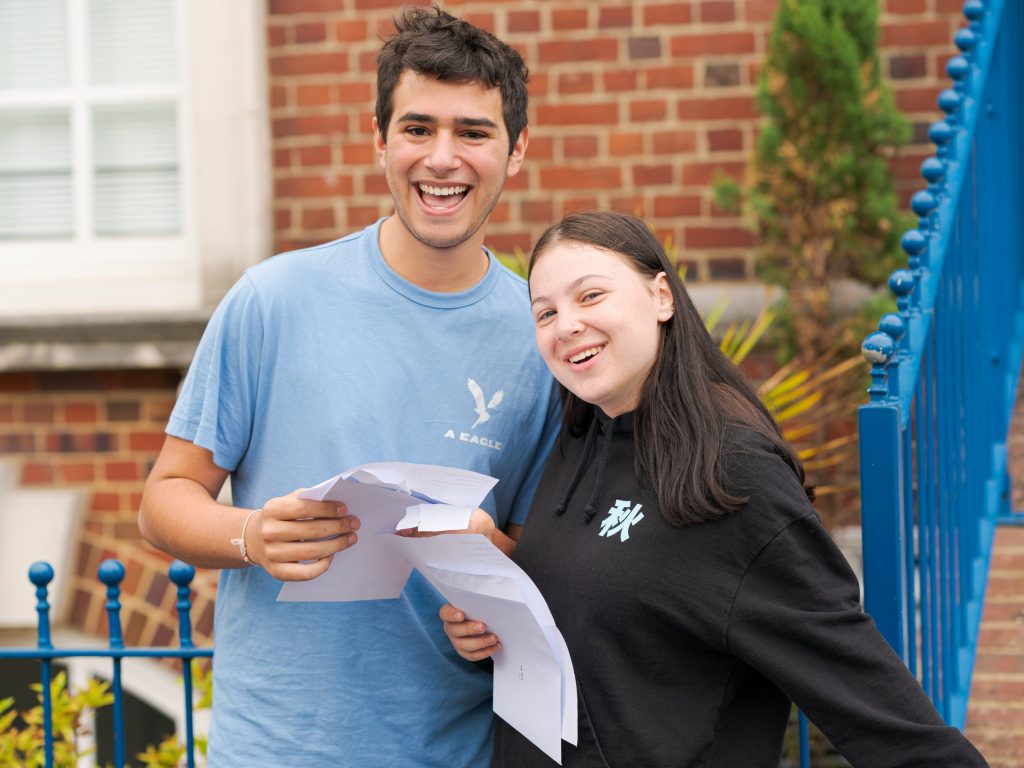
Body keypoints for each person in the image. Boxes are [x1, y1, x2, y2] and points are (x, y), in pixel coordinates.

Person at [138, 7, 559, 766]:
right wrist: (252, 535)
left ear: (516, 150)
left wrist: (498, 571)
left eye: (473, 132)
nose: (442, 159)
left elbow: (541, 548)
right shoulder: (273, 300)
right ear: (379, 139)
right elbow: (165, 499)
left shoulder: (541, 335)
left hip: (454, 749)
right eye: (418, 128)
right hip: (275, 749)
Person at [440, 211, 989, 767]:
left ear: (661, 297)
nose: (567, 326)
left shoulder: (732, 471)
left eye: (591, 296)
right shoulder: (578, 437)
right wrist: (496, 627)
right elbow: (616, 635)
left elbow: (873, 705)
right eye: (546, 313)